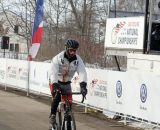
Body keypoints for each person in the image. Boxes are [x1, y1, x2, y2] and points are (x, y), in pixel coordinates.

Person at [49, 39, 87, 129]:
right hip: (56, 82)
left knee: (69, 105)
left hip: (66, 83)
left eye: (74, 50)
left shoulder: (78, 60)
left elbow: (82, 73)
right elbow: (53, 73)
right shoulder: (58, 58)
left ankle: (68, 119)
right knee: (57, 96)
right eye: (71, 50)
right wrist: (54, 85)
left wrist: (83, 86)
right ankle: (53, 115)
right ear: (66, 49)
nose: (73, 52)